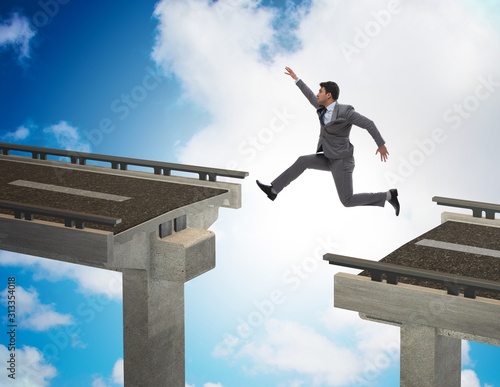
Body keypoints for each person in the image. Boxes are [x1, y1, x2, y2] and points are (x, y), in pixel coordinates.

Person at [256, 66, 400, 216]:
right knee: (302, 161)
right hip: (328, 156)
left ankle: (389, 195)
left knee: (347, 201)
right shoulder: (321, 107)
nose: (317, 94)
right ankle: (273, 190)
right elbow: (309, 94)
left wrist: (381, 145)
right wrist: (296, 79)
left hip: (342, 161)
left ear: (329, 95)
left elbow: (368, 124)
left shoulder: (345, 112)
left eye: (321, 92)